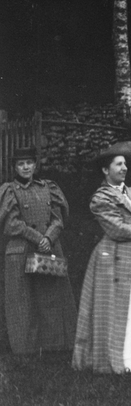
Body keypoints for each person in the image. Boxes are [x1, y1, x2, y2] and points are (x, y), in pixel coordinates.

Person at [72, 141, 131, 374]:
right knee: (116, 308)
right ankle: (119, 359)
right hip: (112, 259)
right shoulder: (100, 198)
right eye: (118, 164)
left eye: (125, 164)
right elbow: (116, 229)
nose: (124, 168)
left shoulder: (126, 192)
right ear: (106, 170)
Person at [0, 146, 76, 355]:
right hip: (21, 250)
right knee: (22, 300)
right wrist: (37, 238)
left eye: (29, 163)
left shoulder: (48, 187)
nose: (25, 167)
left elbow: (58, 219)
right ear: (15, 167)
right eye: (20, 164)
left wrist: (49, 237)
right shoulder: (9, 190)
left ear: (35, 165)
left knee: (51, 294)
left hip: (47, 249)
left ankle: (55, 344)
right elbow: (11, 224)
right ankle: (26, 348)